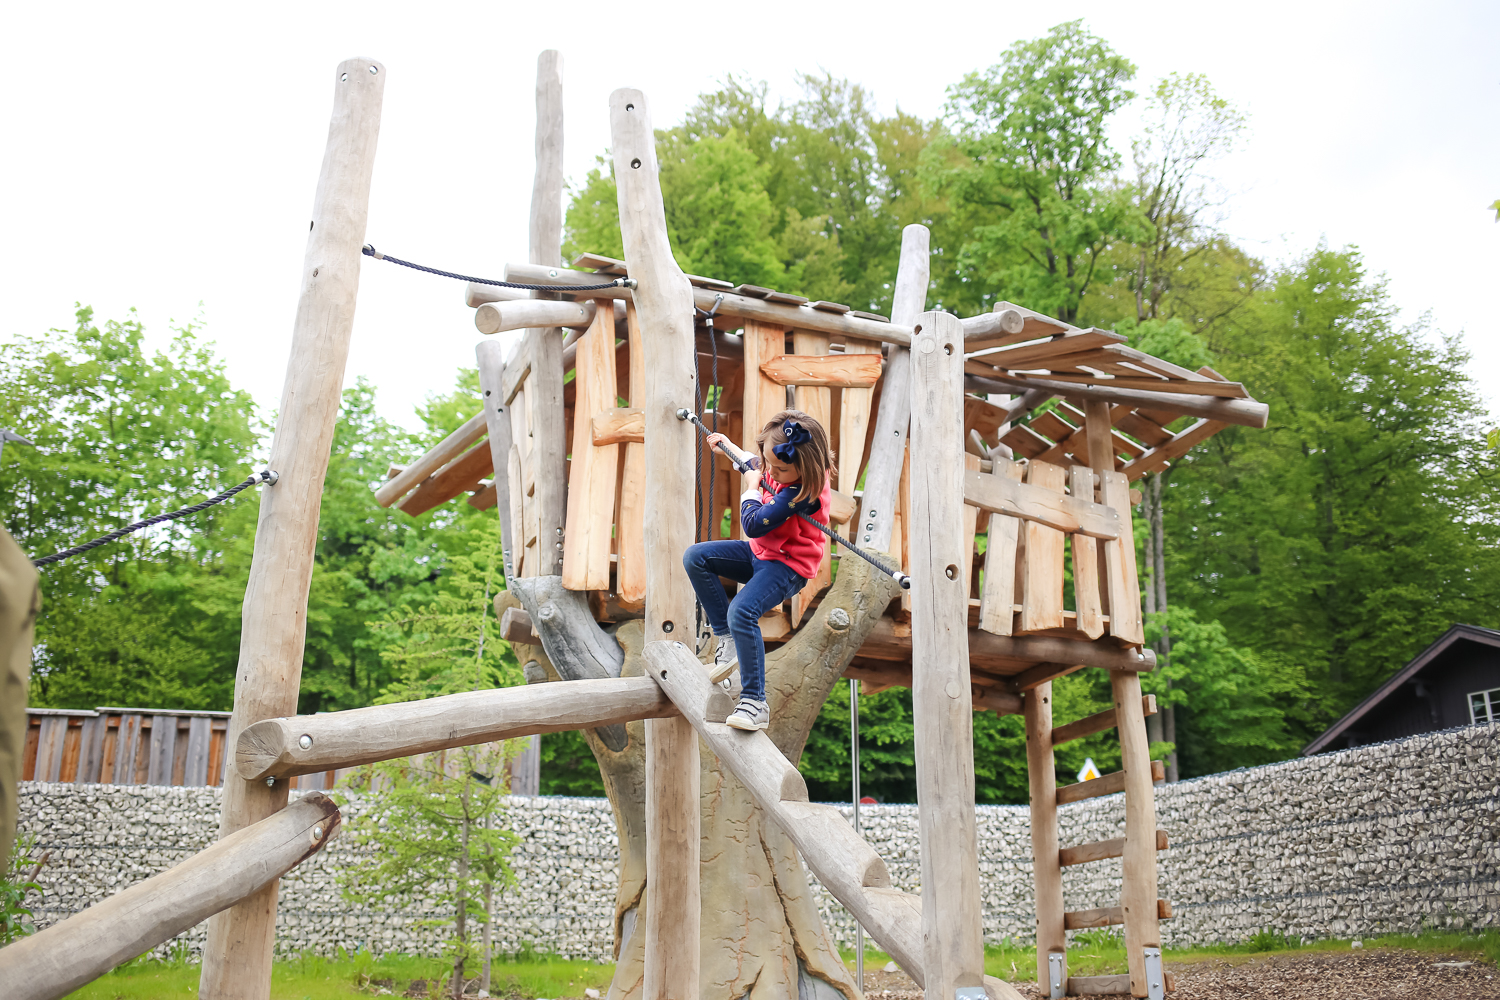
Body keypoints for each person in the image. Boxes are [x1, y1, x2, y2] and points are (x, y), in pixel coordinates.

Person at [683, 409, 833, 731]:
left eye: (780, 469)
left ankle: (754, 702)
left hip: (787, 566)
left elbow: (752, 524)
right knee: (696, 557)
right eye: (769, 464)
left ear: (804, 469)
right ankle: (727, 639)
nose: (771, 473)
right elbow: (754, 462)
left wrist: (752, 485)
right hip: (761, 554)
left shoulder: (801, 494)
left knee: (743, 611)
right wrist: (729, 446)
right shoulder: (775, 467)